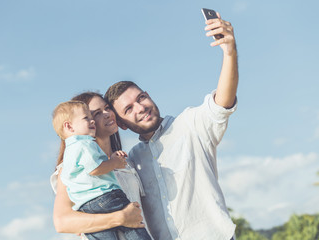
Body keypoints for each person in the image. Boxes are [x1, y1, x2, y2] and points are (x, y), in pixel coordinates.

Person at [54, 12, 238, 240]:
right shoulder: (110, 162)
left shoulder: (182, 129)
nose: (139, 108)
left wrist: (229, 51)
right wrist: (119, 219)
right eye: (128, 109)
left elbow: (222, 103)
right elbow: (63, 221)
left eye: (140, 98)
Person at [51, 92, 152, 239]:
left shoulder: (129, 163)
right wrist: (120, 218)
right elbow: (62, 222)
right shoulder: (71, 169)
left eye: (107, 108)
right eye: (96, 113)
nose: (107, 114)